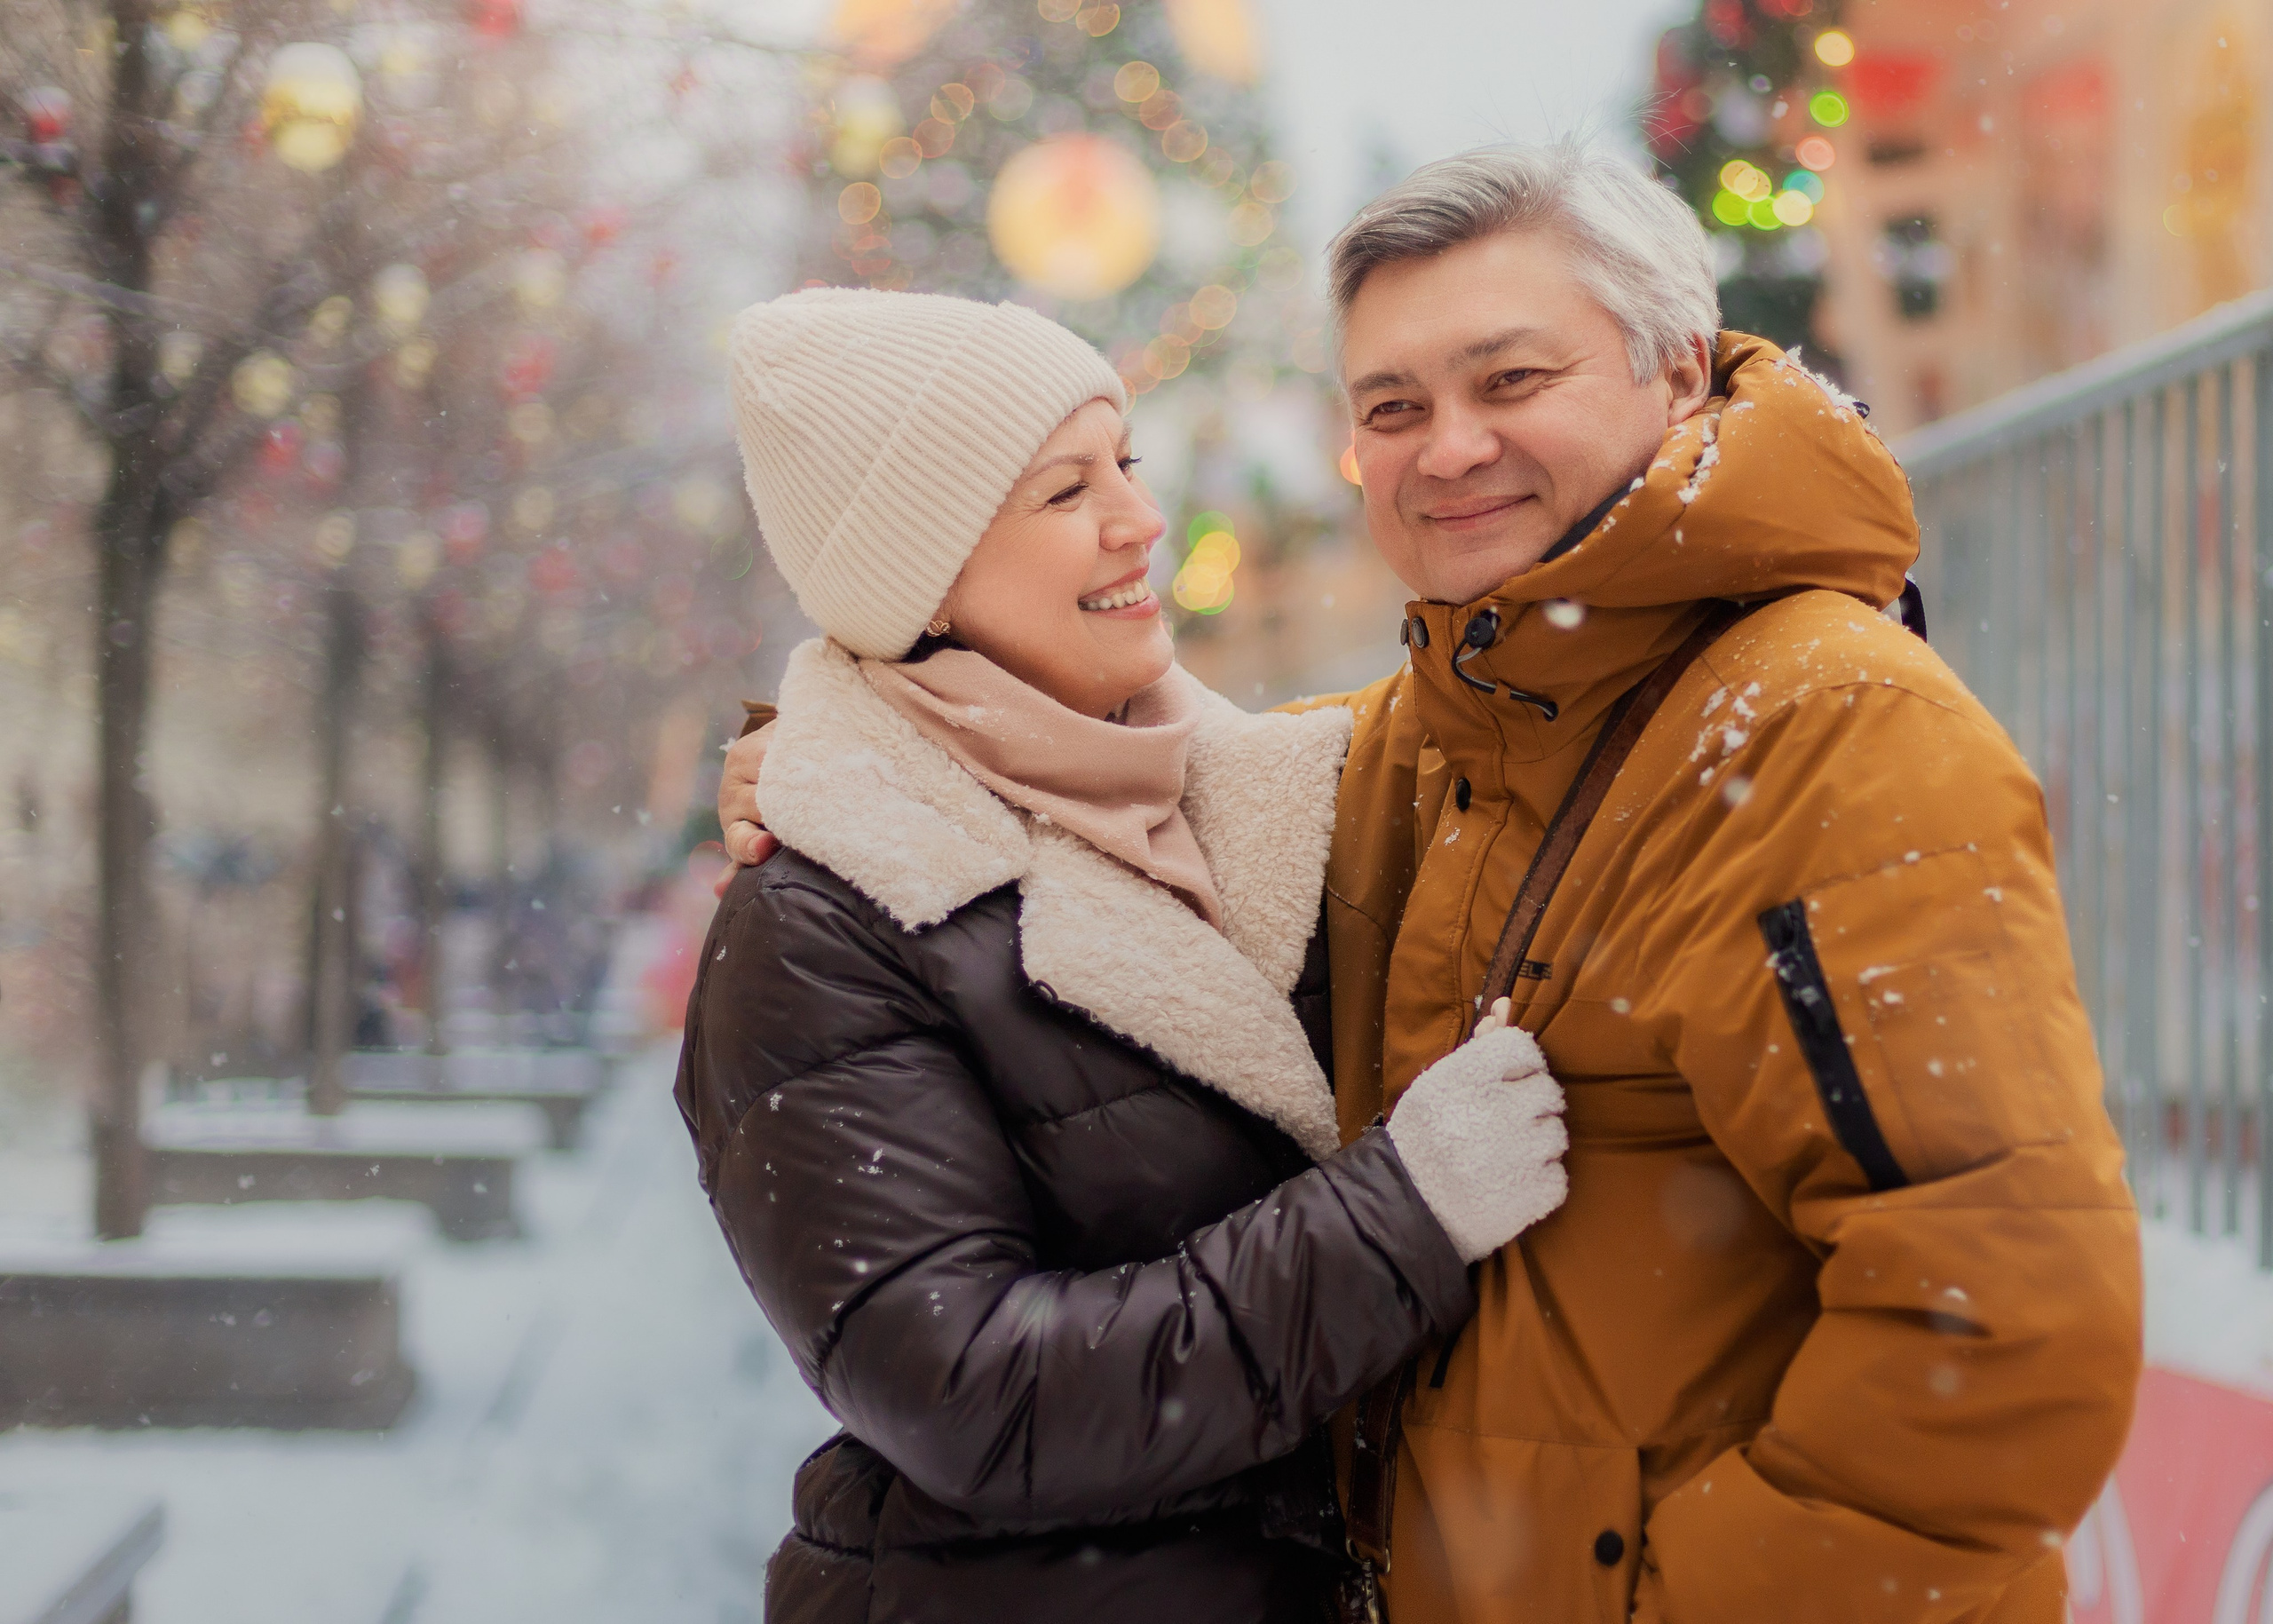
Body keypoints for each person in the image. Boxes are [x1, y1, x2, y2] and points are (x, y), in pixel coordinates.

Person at [722, 142, 2144, 1623]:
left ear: (1675, 370)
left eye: (1511, 381)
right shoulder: (1439, 745)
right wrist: (837, 767)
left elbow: (2000, 1331)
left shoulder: (1827, 732)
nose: (1447, 447)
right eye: (1392, 408)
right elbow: (1130, 786)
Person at [676, 286, 1572, 1623]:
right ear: (916, 570)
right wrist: (1407, 1213)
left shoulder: (1258, 798)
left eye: (1127, 465)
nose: (1140, 521)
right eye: (1061, 491)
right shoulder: (819, 920)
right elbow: (977, 1396)